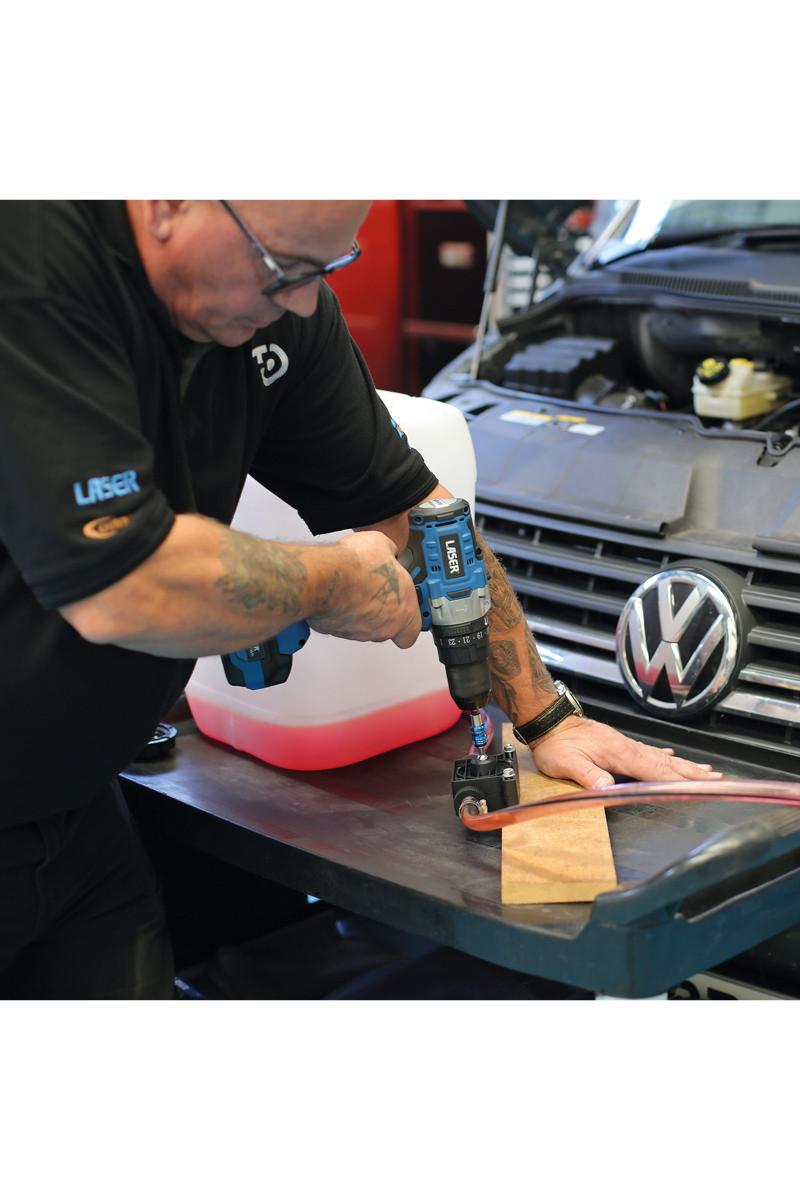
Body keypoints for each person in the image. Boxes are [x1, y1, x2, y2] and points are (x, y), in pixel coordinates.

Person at [0, 200, 720, 999]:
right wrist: (335, 583)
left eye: (328, 269)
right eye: (284, 268)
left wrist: (545, 715)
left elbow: (423, 514)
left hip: (74, 814)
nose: (305, 301)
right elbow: (121, 583)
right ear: (169, 202)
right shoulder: (32, 261)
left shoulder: (278, 312)